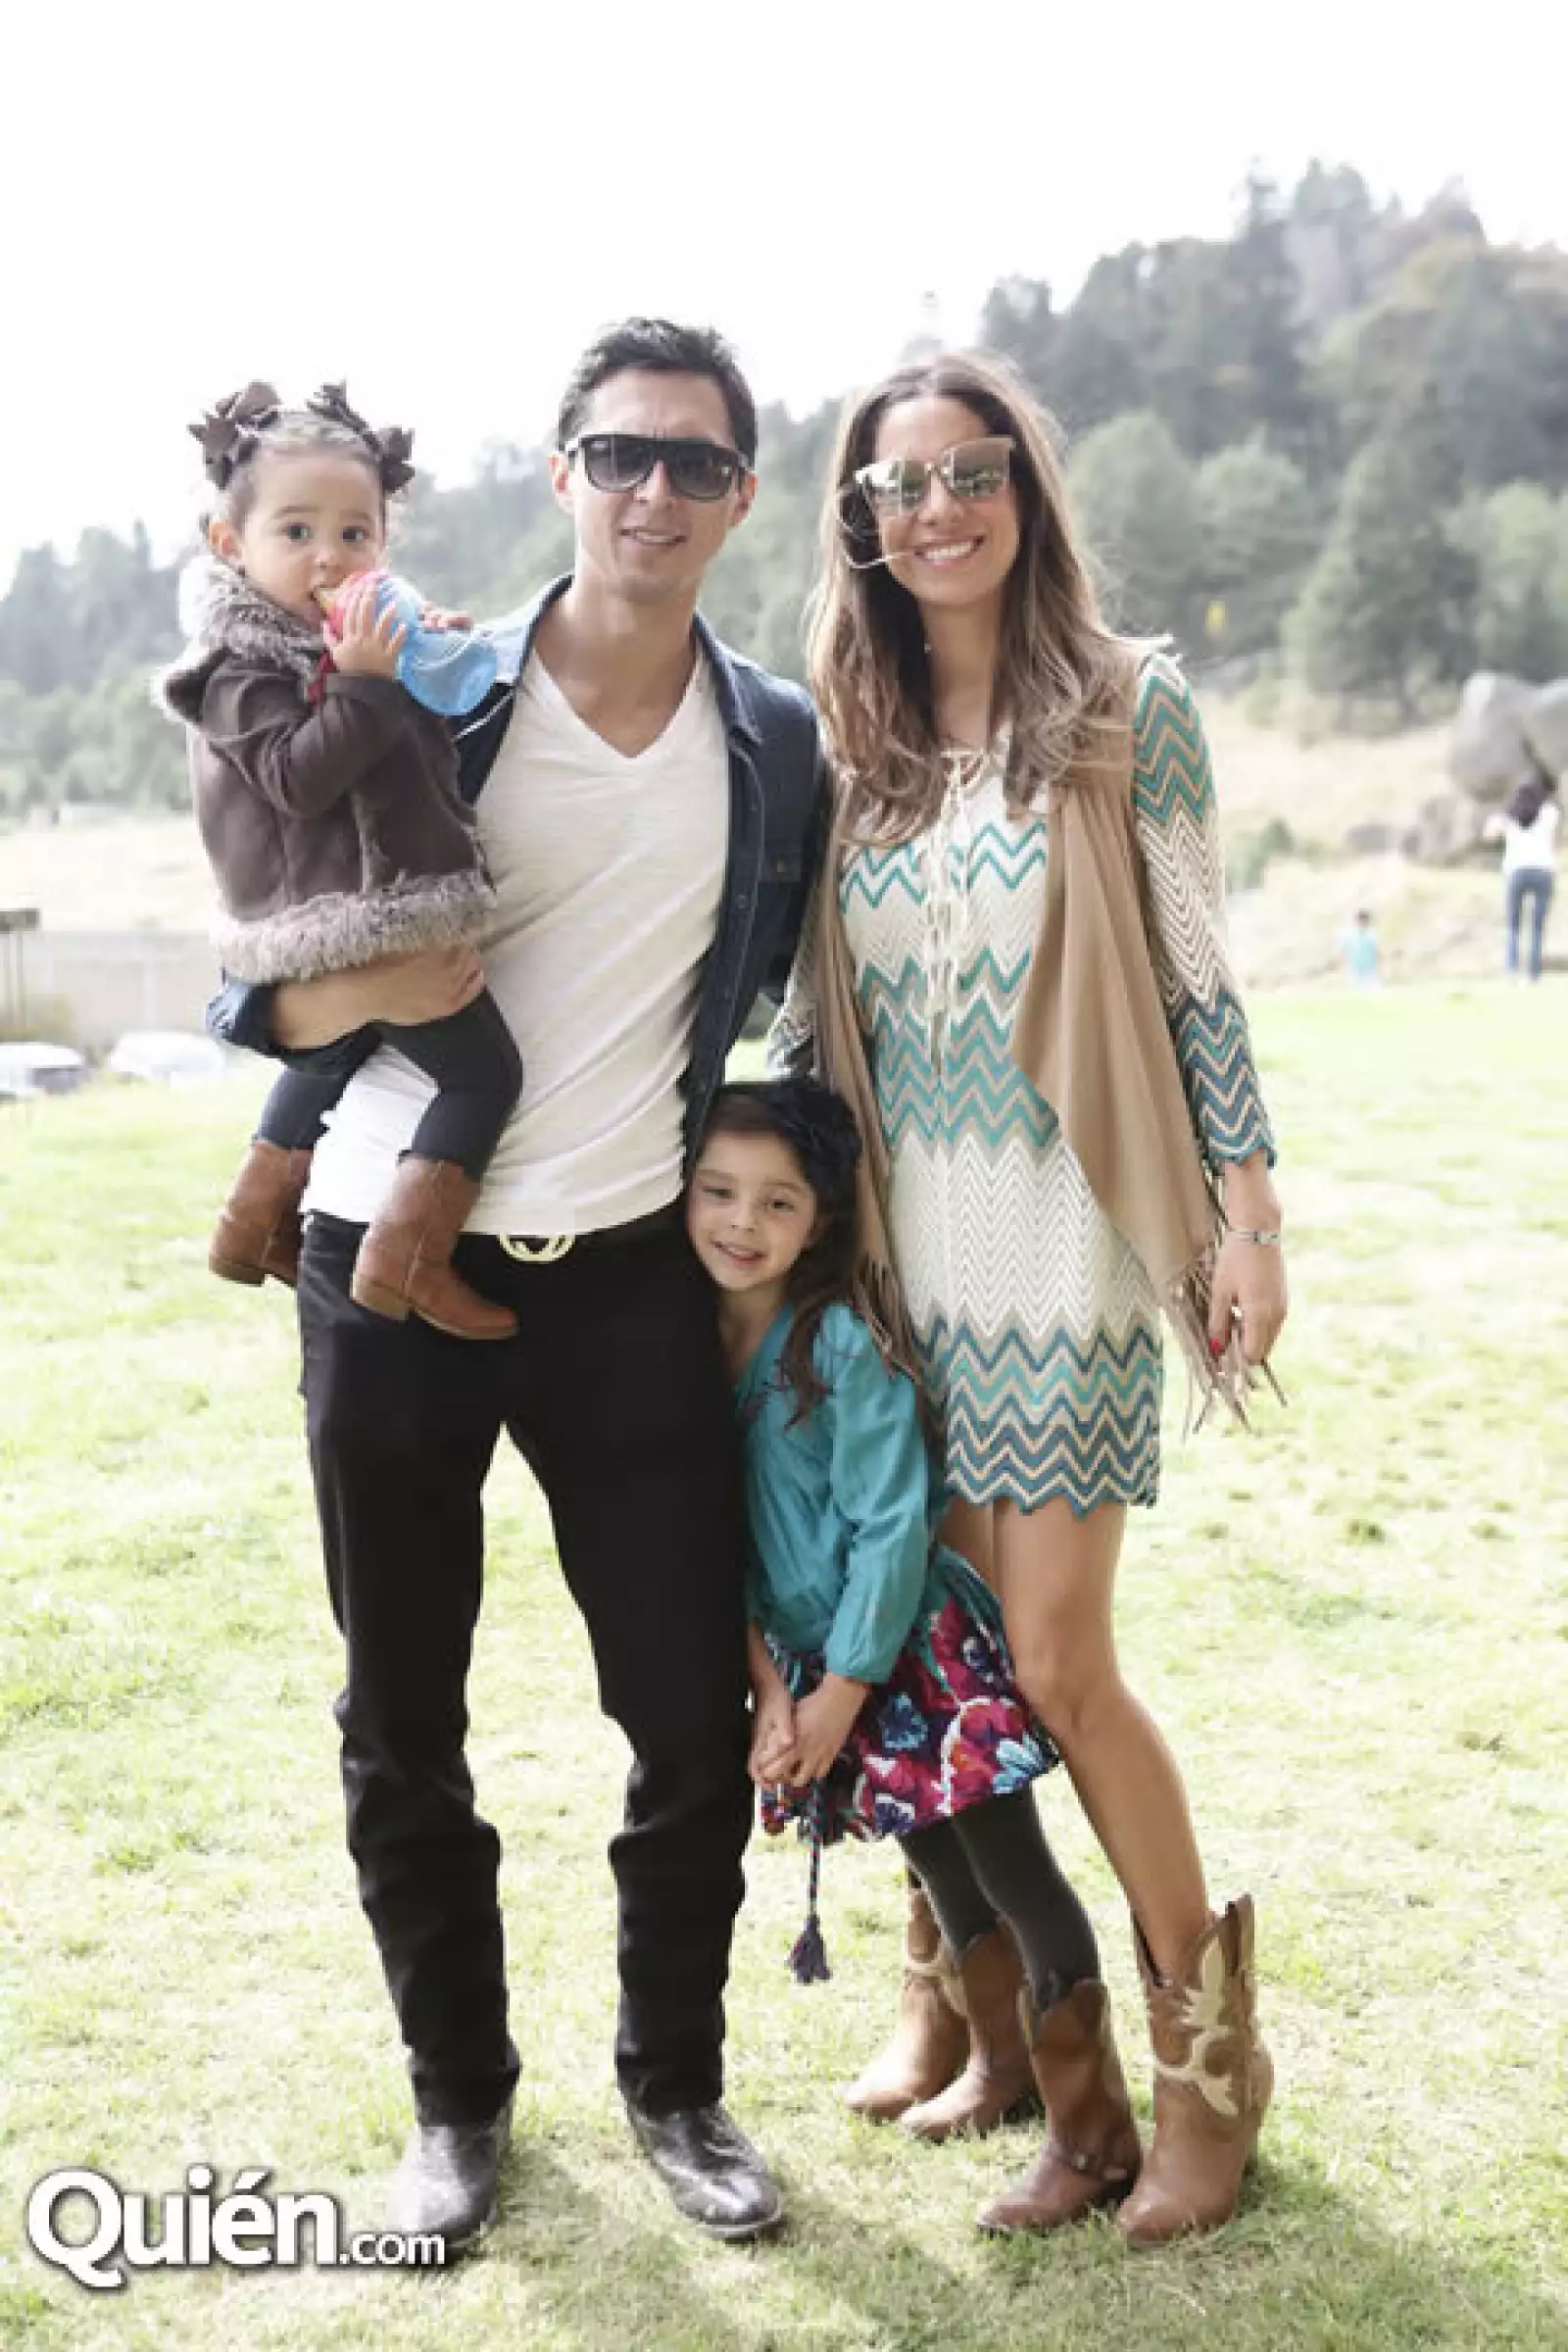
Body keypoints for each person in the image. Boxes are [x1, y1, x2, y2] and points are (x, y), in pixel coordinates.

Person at [208, 319, 824, 2247]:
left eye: (694, 465)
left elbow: (774, 993)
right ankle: (456, 2112)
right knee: (405, 1712)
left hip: (626, 1276)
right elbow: (263, 966)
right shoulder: (439, 689)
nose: (653, 493)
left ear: (737, 494)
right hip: (382, 1269)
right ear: (561, 476)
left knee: (681, 1712)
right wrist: (340, 1050)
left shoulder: (771, 740)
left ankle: (681, 2089)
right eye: (617, 457)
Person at [772, 351, 1289, 2246]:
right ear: (860, 528)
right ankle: (992, 2024)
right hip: (902, 1251)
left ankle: (1209, 2078)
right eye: (896, 489)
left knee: (1059, 1667)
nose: (936, 509)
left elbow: (1200, 974)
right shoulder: (853, 742)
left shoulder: (1128, 708)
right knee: (922, 1642)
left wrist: (1251, 1213)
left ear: (1024, 489)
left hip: (1060, 1239)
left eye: (969, 471)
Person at [689, 1077, 1143, 2232]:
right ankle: (1000, 2064)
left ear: (821, 1223)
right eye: (718, 1193)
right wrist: (772, 1687)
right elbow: (718, 1547)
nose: (743, 1224)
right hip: (816, 1669)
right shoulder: (683, 1357)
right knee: (937, 1870)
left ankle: (1094, 2137)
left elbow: (894, 1524)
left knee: (1009, 1871)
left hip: (911, 1655)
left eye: (777, 1204)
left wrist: (842, 1689)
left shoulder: (833, 1345)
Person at [159, 379, 523, 1342]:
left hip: (357, 905)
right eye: (296, 531)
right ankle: (408, 1257)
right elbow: (296, 779)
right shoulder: (234, 670)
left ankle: (252, 1220)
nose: (329, 554)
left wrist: (421, 661)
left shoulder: (342, 639)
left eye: (355, 534)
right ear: (230, 544)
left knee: (341, 1044)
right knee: (483, 1075)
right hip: (338, 915)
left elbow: (413, 745)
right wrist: (365, 685)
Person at [1484, 763, 1559, 981]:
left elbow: (1489, 835)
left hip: (1516, 870)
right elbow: (1554, 843)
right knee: (1537, 926)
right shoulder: (1550, 812)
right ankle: (1533, 974)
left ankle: (1511, 970)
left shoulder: (1510, 814)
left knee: (1513, 926)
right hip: (1543, 870)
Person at [1341, 907, 1381, 988]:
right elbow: (1343, 953)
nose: (1362, 923)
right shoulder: (1349, 936)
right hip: (1354, 971)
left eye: (1364, 920)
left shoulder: (1372, 936)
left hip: (1370, 971)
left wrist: (1380, 970)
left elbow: (1378, 953)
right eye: (1360, 920)